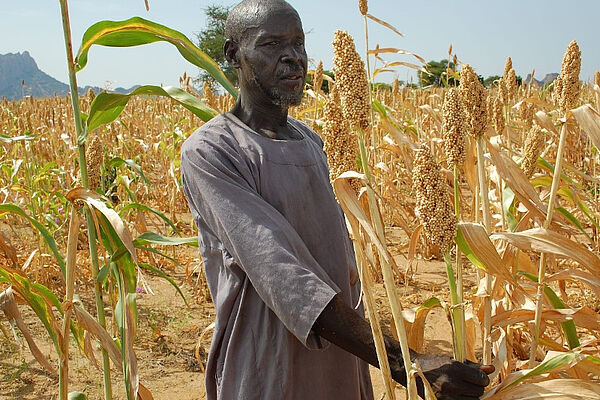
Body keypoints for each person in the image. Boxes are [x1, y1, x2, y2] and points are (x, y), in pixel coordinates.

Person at [181, 0, 493, 399]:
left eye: (298, 43)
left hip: (342, 357)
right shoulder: (211, 152)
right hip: (268, 362)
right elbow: (282, 272)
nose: (293, 58)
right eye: (272, 45)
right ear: (232, 55)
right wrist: (406, 363)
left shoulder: (312, 141)